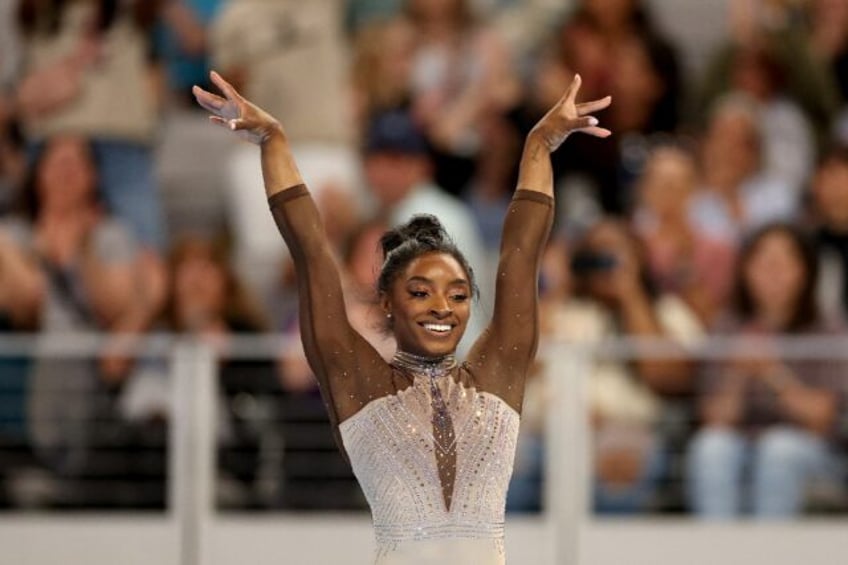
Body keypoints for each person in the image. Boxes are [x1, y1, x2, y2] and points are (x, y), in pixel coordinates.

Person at [193, 70, 610, 563]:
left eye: (457, 295)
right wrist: (273, 141)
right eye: (421, 292)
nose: (442, 307)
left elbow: (520, 258)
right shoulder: (361, 387)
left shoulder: (496, 378)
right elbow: (313, 255)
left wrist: (540, 145)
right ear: (387, 303)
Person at [687, 223, 846, 518]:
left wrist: (774, 373)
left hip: (813, 453)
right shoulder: (728, 325)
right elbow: (715, 420)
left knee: (779, 450)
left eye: (784, 263)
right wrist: (738, 373)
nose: (773, 273)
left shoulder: (829, 329)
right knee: (712, 448)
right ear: (745, 270)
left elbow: (822, 419)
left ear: (806, 271)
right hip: (741, 444)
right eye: (763, 262)